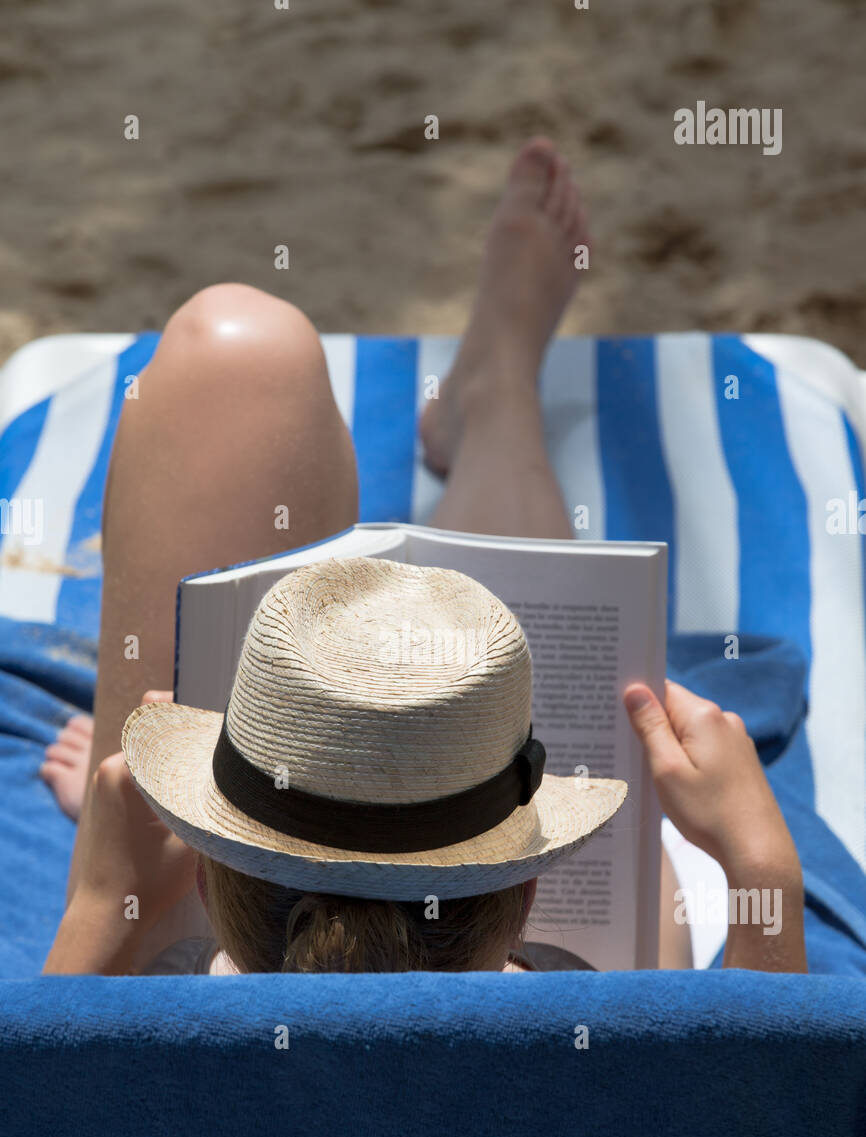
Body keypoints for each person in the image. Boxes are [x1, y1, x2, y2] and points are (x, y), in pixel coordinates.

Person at [39, 137, 806, 977]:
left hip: (176, 942)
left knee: (237, 357)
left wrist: (106, 905)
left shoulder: (127, 1077)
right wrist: (763, 871)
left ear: (201, 863)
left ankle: (495, 395)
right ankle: (499, 387)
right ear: (529, 890)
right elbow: (768, 1106)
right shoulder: (595, 1056)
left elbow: (31, 1108)